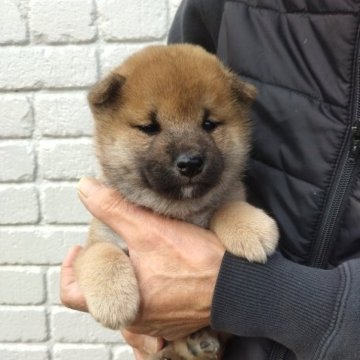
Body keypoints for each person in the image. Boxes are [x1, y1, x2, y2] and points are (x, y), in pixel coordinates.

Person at [61, 0, 360, 359]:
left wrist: (233, 228)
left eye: (209, 125)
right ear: (104, 116)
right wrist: (106, 269)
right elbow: (99, 253)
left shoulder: (229, 193)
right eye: (149, 127)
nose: (188, 154)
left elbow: (243, 220)